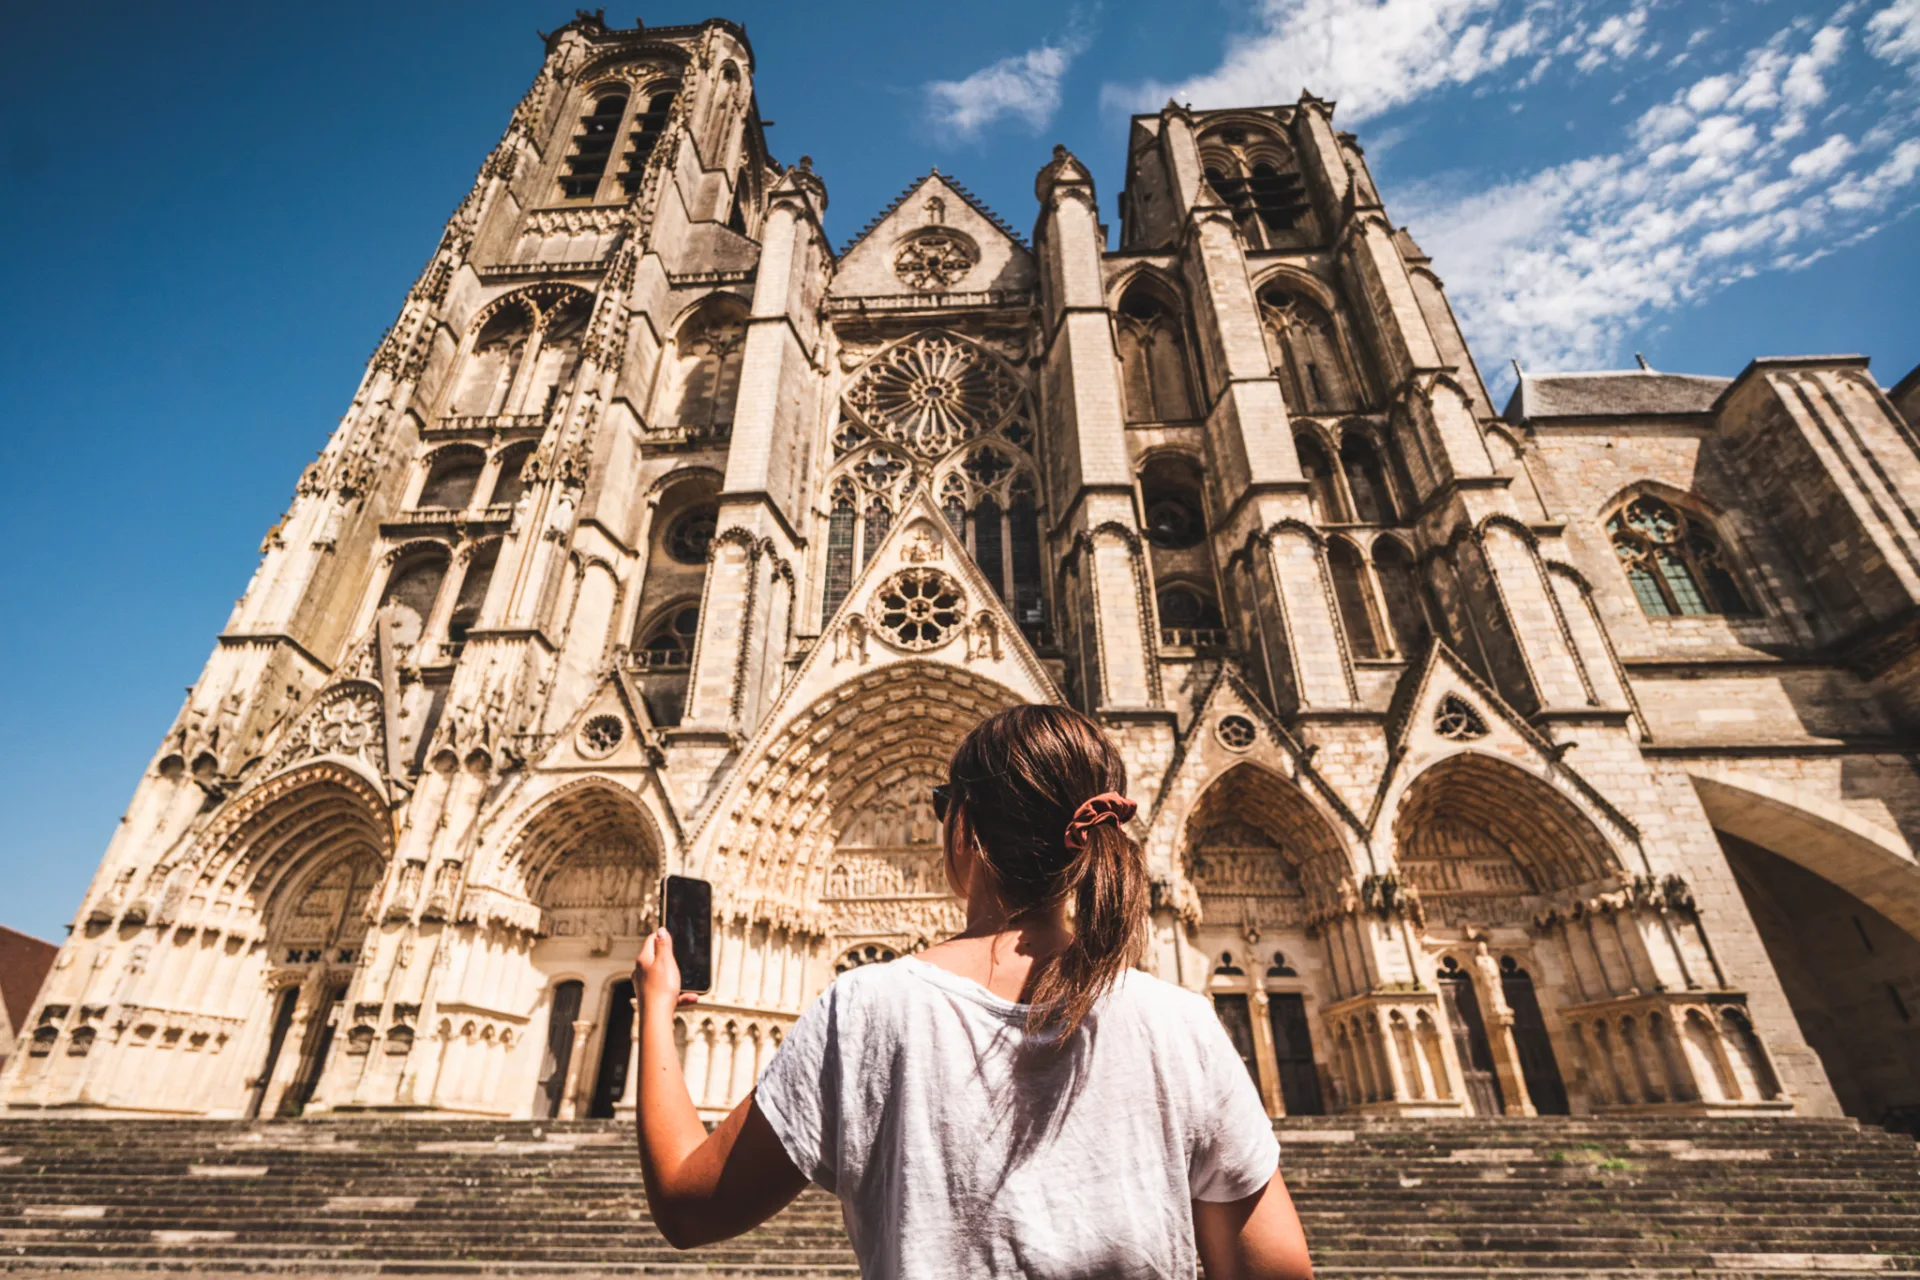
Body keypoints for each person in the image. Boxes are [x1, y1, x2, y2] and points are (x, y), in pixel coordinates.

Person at [632, 704, 1313, 1279]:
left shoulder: (867, 1008)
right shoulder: (1183, 1022)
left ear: (964, 830)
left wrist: (657, 1011)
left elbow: (690, 1206)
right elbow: (1277, 1270)